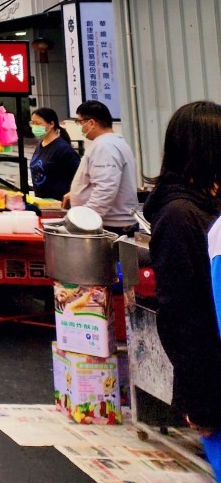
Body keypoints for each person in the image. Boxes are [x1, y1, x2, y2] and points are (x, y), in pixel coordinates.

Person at [142, 101, 221, 474]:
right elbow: (182, 314)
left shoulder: (206, 203)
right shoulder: (179, 216)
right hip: (213, 381)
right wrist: (201, 401)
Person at [65, 100, 139, 233]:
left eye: (80, 122)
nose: (80, 127)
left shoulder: (105, 146)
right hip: (108, 222)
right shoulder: (111, 143)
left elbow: (105, 188)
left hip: (110, 226)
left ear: (92, 123)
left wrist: (85, 220)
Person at [27, 107, 80, 201]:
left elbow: (79, 178)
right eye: (32, 123)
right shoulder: (40, 144)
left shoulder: (63, 149)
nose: (34, 127)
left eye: (38, 123)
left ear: (51, 124)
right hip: (42, 202)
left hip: (60, 203)